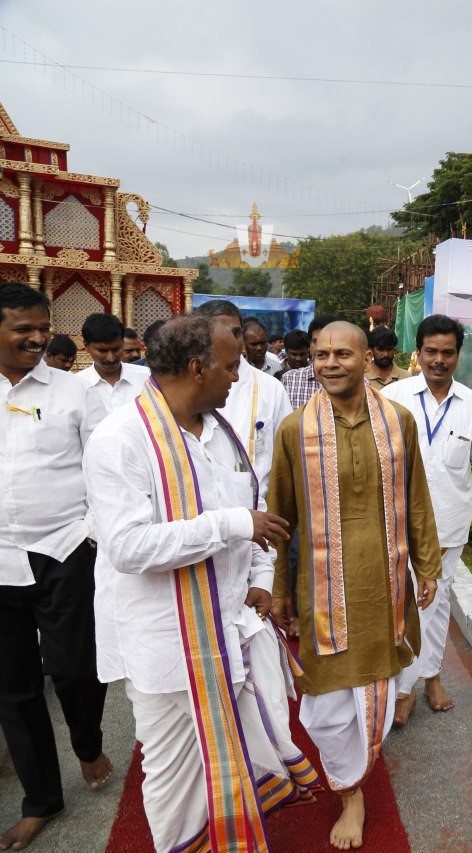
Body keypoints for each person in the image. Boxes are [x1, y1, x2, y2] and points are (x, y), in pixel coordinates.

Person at [86, 315, 317, 852]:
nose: (238, 378)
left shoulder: (217, 428)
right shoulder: (120, 440)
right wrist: (234, 526)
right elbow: (128, 547)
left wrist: (260, 577)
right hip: (167, 644)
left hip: (230, 623)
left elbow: (251, 504)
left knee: (235, 754)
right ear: (196, 368)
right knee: (175, 778)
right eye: (230, 366)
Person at [269, 321, 442, 850]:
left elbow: (416, 498)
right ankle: (350, 787)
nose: (329, 363)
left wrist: (428, 565)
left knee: (376, 693)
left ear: (367, 358)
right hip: (321, 594)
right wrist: (278, 589)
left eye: (342, 353)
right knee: (323, 708)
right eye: (320, 354)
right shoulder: (295, 429)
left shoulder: (399, 422)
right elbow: (280, 517)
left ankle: (353, 791)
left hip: (383, 590)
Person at [0, 282, 111, 851]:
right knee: (14, 686)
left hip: (65, 549)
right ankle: (41, 799)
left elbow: (103, 466)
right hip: (0, 562)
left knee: (72, 670)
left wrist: (91, 535)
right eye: (24, 329)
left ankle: (88, 743)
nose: (38, 338)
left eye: (43, 328)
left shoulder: (74, 392)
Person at [382, 315, 472, 723]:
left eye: (447, 352)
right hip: (397, 520)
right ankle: (419, 678)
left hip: (448, 521)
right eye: (431, 352)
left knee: (434, 602)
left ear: (458, 355)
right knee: (403, 601)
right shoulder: (394, 397)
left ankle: (415, 685)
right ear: (418, 353)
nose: (438, 360)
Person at [192, 301, 293, 500]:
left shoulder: (270, 388)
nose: (230, 340)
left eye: (235, 333)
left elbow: (287, 458)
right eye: (220, 333)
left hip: (256, 516)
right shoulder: (188, 385)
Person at [76, 313, 150, 413]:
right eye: (102, 351)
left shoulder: (147, 377)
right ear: (86, 347)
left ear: (122, 343)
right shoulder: (77, 384)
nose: (111, 358)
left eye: (116, 349)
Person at [280, 314, 339, 409]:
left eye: (328, 340)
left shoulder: (358, 383)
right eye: (316, 341)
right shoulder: (290, 379)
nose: (321, 346)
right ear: (310, 347)